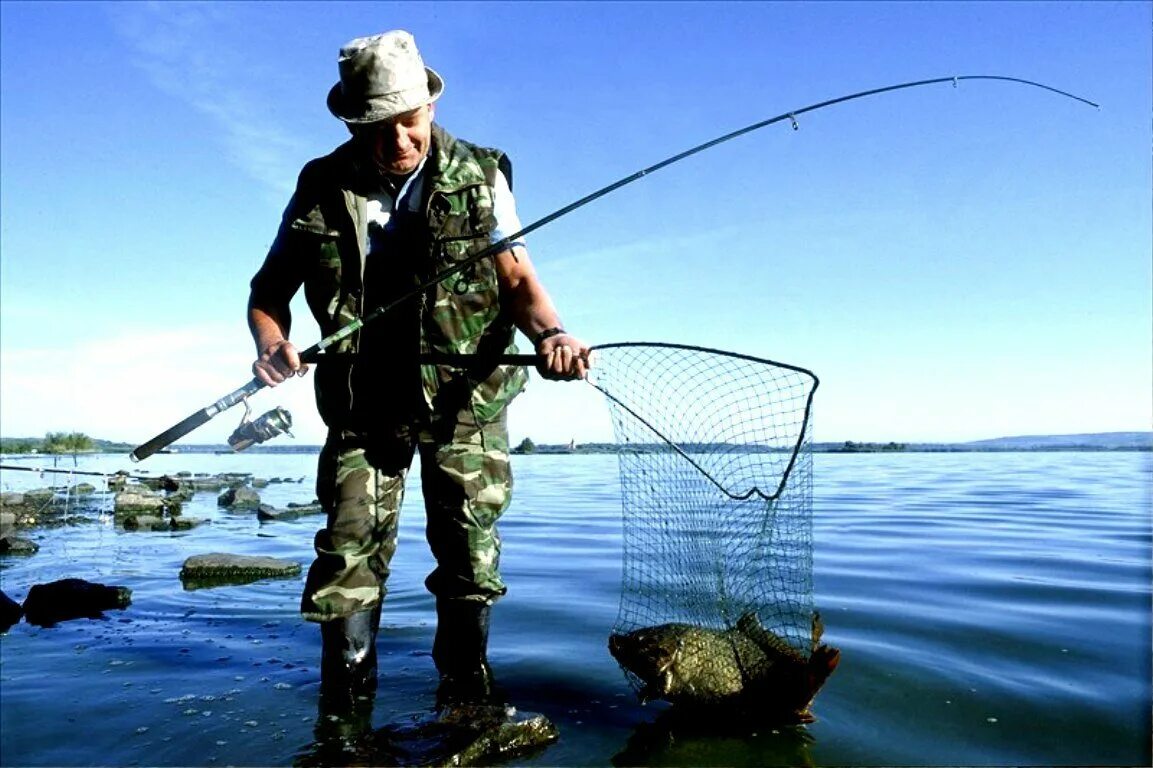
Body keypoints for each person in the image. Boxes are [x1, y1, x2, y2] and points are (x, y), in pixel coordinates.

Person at [247, 30, 590, 707]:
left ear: (429, 108)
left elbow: (518, 281)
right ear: (353, 121)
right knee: (346, 556)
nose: (399, 140)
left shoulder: (481, 174)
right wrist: (270, 343)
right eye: (379, 126)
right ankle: (344, 715)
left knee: (468, 558)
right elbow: (267, 293)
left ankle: (465, 697)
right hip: (361, 402)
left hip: (467, 403)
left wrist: (553, 334)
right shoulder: (320, 184)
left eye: (410, 122)